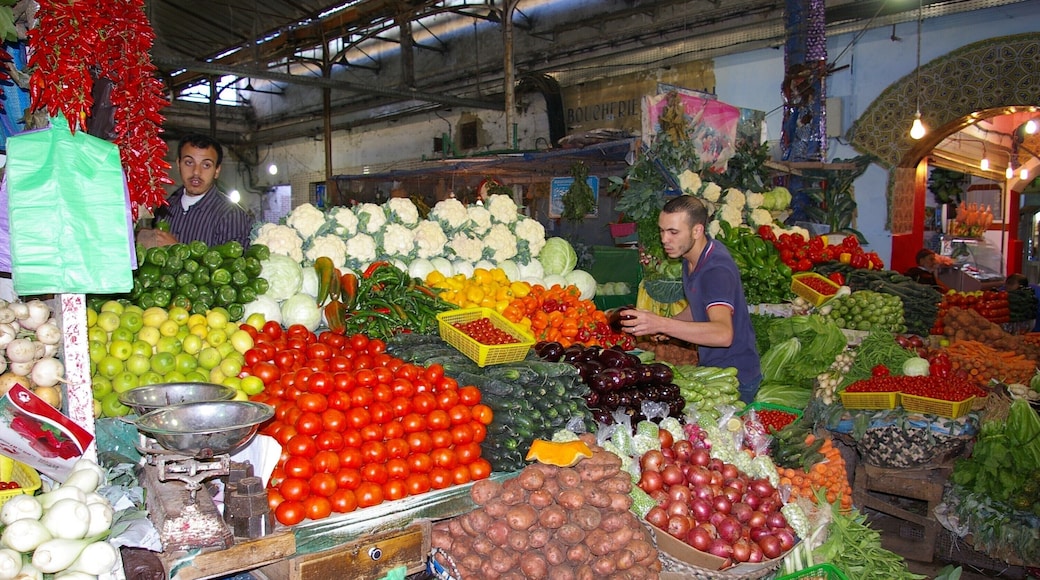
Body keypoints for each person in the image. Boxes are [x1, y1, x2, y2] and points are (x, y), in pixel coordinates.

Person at [618, 195, 762, 403]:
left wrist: (663, 324)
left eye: (673, 232)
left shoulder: (716, 270)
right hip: (713, 370)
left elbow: (723, 334)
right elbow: (698, 308)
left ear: (697, 230)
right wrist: (669, 324)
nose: (664, 239)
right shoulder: (691, 257)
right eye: (662, 230)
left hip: (734, 379)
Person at [137, 134, 253, 249]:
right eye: (189, 162)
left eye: (206, 165)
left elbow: (236, 265)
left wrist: (177, 249)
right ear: (178, 164)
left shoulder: (231, 215)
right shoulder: (166, 209)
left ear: (217, 170)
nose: (196, 172)